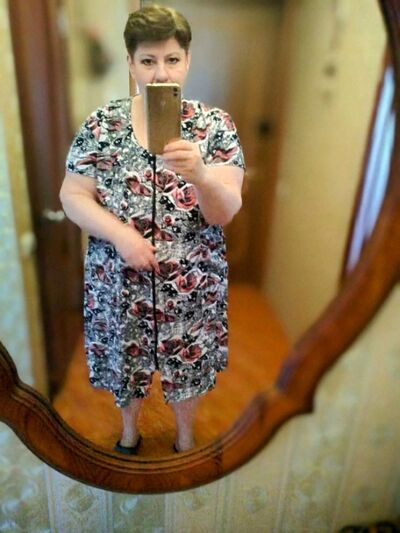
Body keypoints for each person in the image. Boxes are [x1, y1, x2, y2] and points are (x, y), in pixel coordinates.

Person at [60, 4, 245, 454]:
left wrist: (202, 176)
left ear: (188, 60)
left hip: (192, 280)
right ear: (130, 63)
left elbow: (224, 212)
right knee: (124, 364)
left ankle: (185, 438)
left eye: (172, 59)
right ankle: (129, 434)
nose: (161, 72)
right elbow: (72, 195)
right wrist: (121, 236)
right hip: (120, 277)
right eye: (148, 60)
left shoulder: (215, 127)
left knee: (189, 366)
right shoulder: (102, 126)